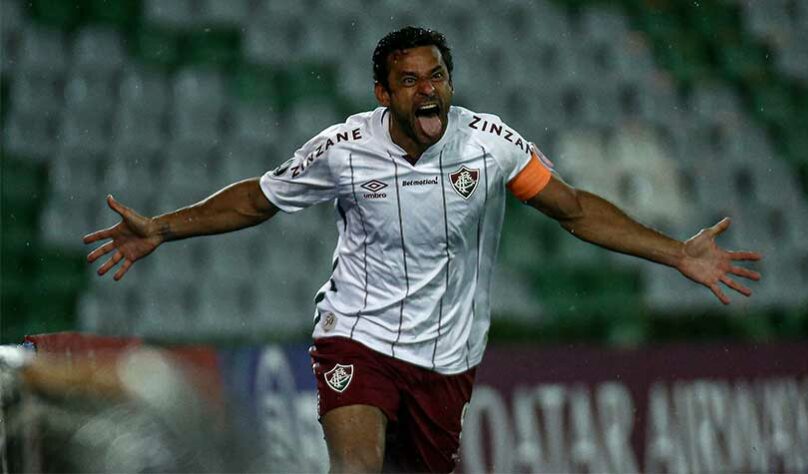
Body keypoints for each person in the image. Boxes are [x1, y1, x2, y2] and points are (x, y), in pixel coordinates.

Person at [84, 26, 762, 473]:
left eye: (435, 74)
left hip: (447, 355)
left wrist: (676, 253)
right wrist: (163, 227)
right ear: (383, 94)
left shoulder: (490, 143)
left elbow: (576, 210)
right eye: (409, 79)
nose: (427, 88)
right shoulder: (342, 151)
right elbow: (256, 199)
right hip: (355, 335)